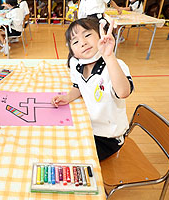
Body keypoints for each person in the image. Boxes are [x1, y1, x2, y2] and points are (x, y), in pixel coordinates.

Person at [51, 17, 134, 161]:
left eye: (88, 35)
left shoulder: (114, 65)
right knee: (56, 141)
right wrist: (68, 97)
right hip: (88, 127)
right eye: (75, 42)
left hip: (109, 137)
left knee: (70, 159)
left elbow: (123, 92)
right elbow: (79, 86)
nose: (83, 43)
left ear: (101, 35)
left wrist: (109, 57)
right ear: (72, 51)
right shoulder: (76, 64)